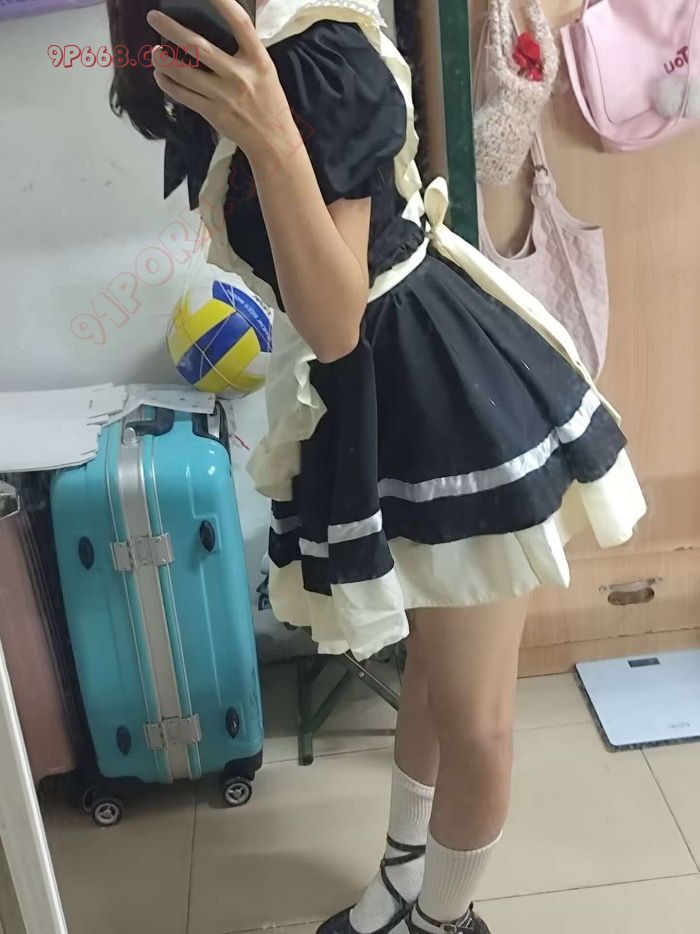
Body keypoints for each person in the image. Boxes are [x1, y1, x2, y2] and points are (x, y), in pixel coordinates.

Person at [105, 1, 647, 931]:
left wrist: (274, 136)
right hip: (370, 398)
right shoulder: (205, 56)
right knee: (432, 668)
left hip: (445, 392)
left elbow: (335, 319)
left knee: (475, 715)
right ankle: (402, 883)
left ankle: (442, 921)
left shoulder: (314, 56)